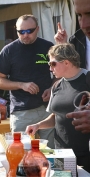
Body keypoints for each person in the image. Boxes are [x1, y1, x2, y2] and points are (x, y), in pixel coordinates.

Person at [26, 43, 90, 173]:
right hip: (62, 152)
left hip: (86, 153)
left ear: (66, 62)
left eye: (53, 64)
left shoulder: (87, 79)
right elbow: (56, 116)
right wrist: (38, 125)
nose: (50, 68)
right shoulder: (56, 86)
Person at [0, 14, 55, 148]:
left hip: (47, 109)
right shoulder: (9, 50)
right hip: (22, 111)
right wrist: (21, 85)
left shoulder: (48, 47)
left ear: (37, 29)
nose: (25, 35)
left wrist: (52, 89)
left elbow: (60, 73)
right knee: (21, 153)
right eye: (21, 32)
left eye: (29, 31)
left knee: (50, 152)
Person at [54, 0, 90, 134]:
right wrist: (62, 45)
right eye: (79, 15)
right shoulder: (77, 39)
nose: (84, 24)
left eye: (89, 13)